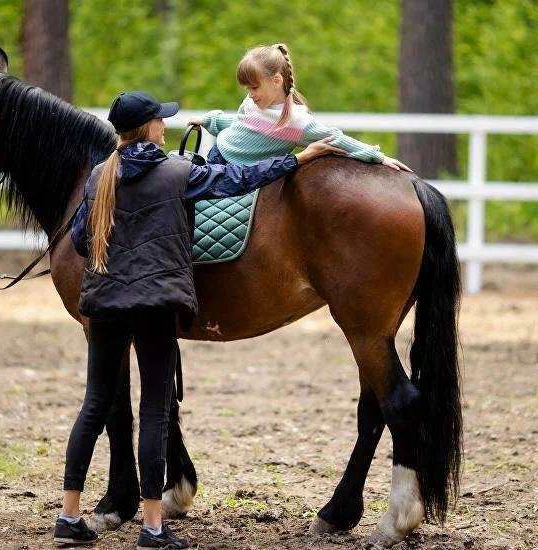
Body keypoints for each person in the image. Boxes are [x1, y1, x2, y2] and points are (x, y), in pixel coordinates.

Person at [55, 91, 345, 548]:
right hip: (155, 306)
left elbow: (79, 239)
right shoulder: (177, 172)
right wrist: (297, 159)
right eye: (160, 121)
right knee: (154, 410)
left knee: (94, 406)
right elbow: (238, 179)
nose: (165, 126)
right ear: (148, 128)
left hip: (106, 305)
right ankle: (152, 527)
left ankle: (69, 516)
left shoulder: (99, 176)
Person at [189, 43, 412, 171]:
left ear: (277, 81)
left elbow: (334, 138)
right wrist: (211, 121)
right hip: (218, 155)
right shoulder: (252, 102)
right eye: (247, 89)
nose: (250, 94)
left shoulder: (297, 123)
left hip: (242, 172)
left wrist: (377, 156)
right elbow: (243, 124)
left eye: (254, 87)